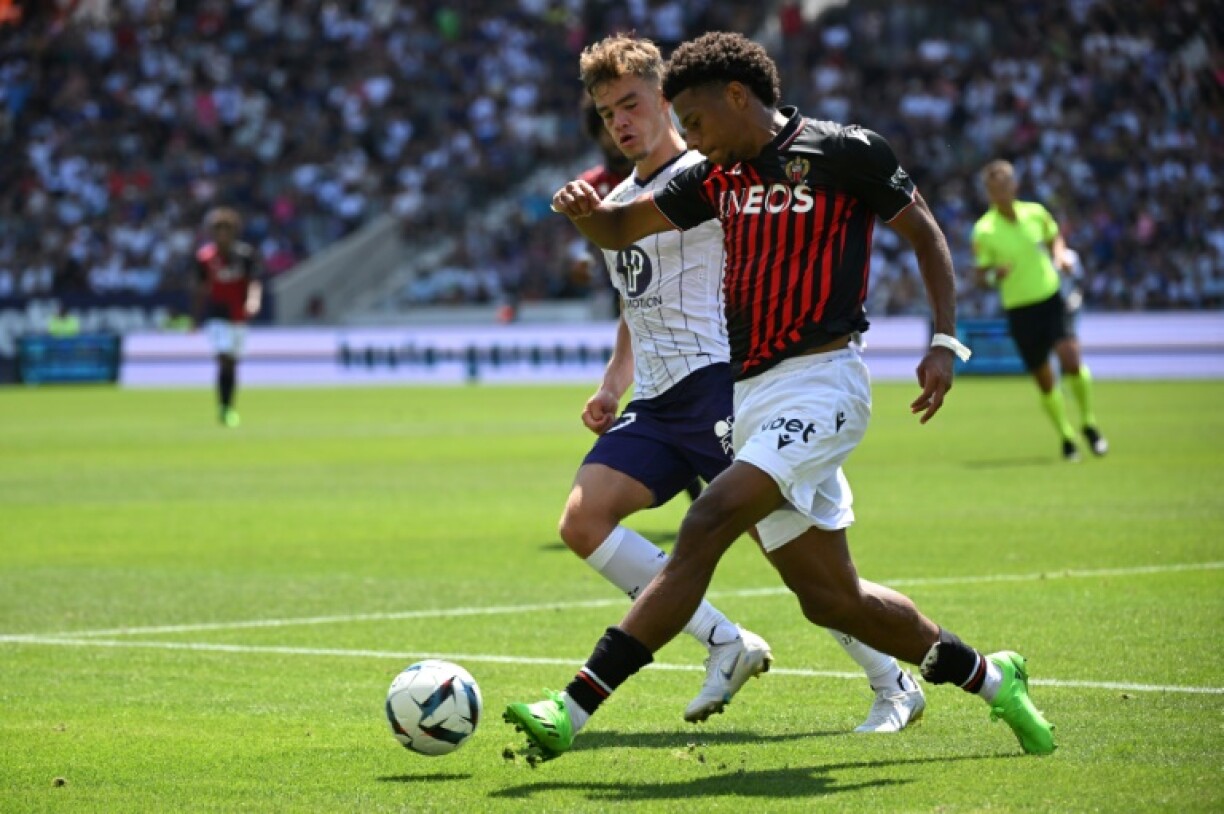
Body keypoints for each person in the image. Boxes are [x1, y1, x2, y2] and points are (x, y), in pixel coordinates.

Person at [505, 31, 1054, 760]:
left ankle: (570, 707)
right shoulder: (714, 179)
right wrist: (581, 209)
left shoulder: (846, 150)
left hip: (825, 384)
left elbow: (923, 234)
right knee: (833, 598)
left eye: (694, 122)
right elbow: (618, 227)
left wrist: (944, 341)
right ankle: (991, 677)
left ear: (737, 97)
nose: (693, 140)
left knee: (707, 520)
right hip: (753, 393)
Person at [972, 160, 1108, 462]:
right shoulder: (984, 231)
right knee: (1045, 379)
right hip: (1019, 309)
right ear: (989, 194)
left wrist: (1060, 255)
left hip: (1049, 298)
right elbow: (981, 277)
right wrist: (996, 275)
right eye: (995, 190)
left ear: (1014, 186)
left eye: (1005, 187)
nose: (1001, 194)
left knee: (1071, 359)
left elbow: (1054, 238)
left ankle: (1089, 424)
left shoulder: (1036, 213)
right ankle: (1066, 436)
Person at [192, 207, 262, 428]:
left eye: (226, 229)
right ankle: (224, 408)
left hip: (238, 315)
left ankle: (228, 406)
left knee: (232, 362)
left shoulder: (245, 255)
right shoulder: (204, 258)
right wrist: (195, 318)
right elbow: (200, 288)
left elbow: (254, 282)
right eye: (217, 229)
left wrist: (253, 301)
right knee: (223, 358)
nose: (222, 233)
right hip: (217, 314)